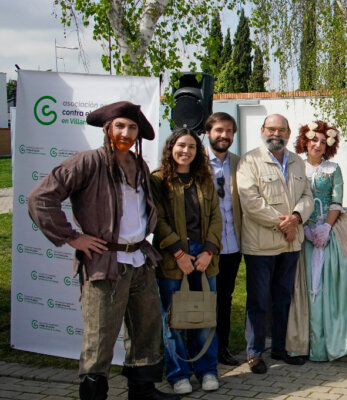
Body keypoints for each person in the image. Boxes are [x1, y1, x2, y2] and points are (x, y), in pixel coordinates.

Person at [27, 101, 179, 400]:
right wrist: (72, 237)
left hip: (140, 260)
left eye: (132, 128)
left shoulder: (139, 165)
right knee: (100, 337)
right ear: (108, 128)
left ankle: (142, 391)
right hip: (105, 264)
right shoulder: (87, 162)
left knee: (146, 329)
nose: (126, 133)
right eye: (120, 126)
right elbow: (40, 199)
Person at [286, 120, 347, 361]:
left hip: (327, 232)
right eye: (313, 140)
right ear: (305, 142)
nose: (317, 145)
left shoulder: (333, 169)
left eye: (322, 141)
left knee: (329, 286)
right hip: (302, 233)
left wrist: (326, 227)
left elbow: (336, 201)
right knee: (303, 288)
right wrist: (305, 228)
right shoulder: (295, 167)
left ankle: (331, 340)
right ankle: (303, 342)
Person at [236, 114, 315, 373]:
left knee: (283, 298)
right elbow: (251, 202)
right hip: (260, 245)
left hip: (290, 245)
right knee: (258, 301)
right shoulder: (250, 161)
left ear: (288, 133)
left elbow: (307, 196)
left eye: (281, 130)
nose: (276, 134)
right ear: (262, 130)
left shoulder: (296, 162)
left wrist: (296, 218)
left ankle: (280, 347)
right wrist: (285, 224)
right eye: (271, 129)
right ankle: (255, 353)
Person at [151, 128, 223, 394]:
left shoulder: (204, 178)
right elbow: (157, 220)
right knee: (174, 319)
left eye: (192, 146)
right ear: (171, 147)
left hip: (204, 256)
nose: (186, 151)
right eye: (181, 145)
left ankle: (207, 370)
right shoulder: (158, 179)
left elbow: (216, 217)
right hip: (173, 258)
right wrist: (179, 253)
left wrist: (209, 251)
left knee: (204, 315)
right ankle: (178, 374)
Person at [205, 112, 242, 367]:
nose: (224, 135)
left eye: (229, 131)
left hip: (232, 244)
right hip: (206, 245)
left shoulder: (239, 163)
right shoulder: (196, 162)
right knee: (203, 299)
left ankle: (222, 348)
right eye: (219, 130)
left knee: (225, 298)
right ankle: (201, 351)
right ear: (208, 132)